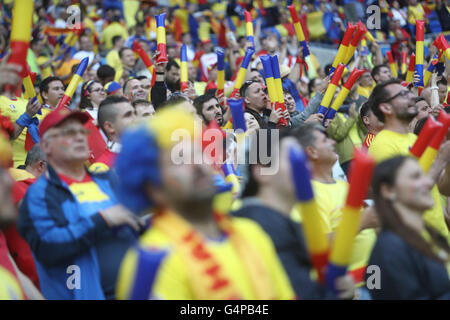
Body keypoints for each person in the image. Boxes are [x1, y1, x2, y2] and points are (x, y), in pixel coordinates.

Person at [115, 106, 295, 300]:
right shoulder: (154, 258)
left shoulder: (251, 232)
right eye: (180, 160)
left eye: (199, 154)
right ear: (153, 188)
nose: (198, 166)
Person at [18, 108, 142, 299]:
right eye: (68, 133)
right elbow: (49, 247)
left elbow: (135, 225)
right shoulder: (40, 194)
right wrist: (102, 219)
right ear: (47, 146)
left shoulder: (108, 180)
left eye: (81, 131)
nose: (79, 137)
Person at [233, 129, 354, 299]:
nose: (308, 167)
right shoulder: (259, 227)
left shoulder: (277, 222)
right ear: (262, 171)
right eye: (295, 161)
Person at [293, 123, 378, 284]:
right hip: (350, 287)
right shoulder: (308, 195)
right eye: (325, 140)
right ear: (312, 152)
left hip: (375, 278)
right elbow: (318, 247)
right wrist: (363, 221)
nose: (333, 142)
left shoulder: (343, 185)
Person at [368, 79, 450, 239]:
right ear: (386, 108)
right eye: (403, 95)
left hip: (439, 238)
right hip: (415, 242)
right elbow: (400, 198)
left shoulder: (414, 139)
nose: (411, 97)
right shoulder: (382, 145)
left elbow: (444, 188)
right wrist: (440, 161)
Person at [367, 156, 450, 299]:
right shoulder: (389, 248)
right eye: (416, 177)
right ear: (388, 190)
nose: (429, 182)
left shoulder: (426, 235)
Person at [90, 96, 136, 170]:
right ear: (109, 127)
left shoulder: (147, 153)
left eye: (135, 113)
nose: (136, 119)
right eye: (128, 115)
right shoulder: (102, 168)